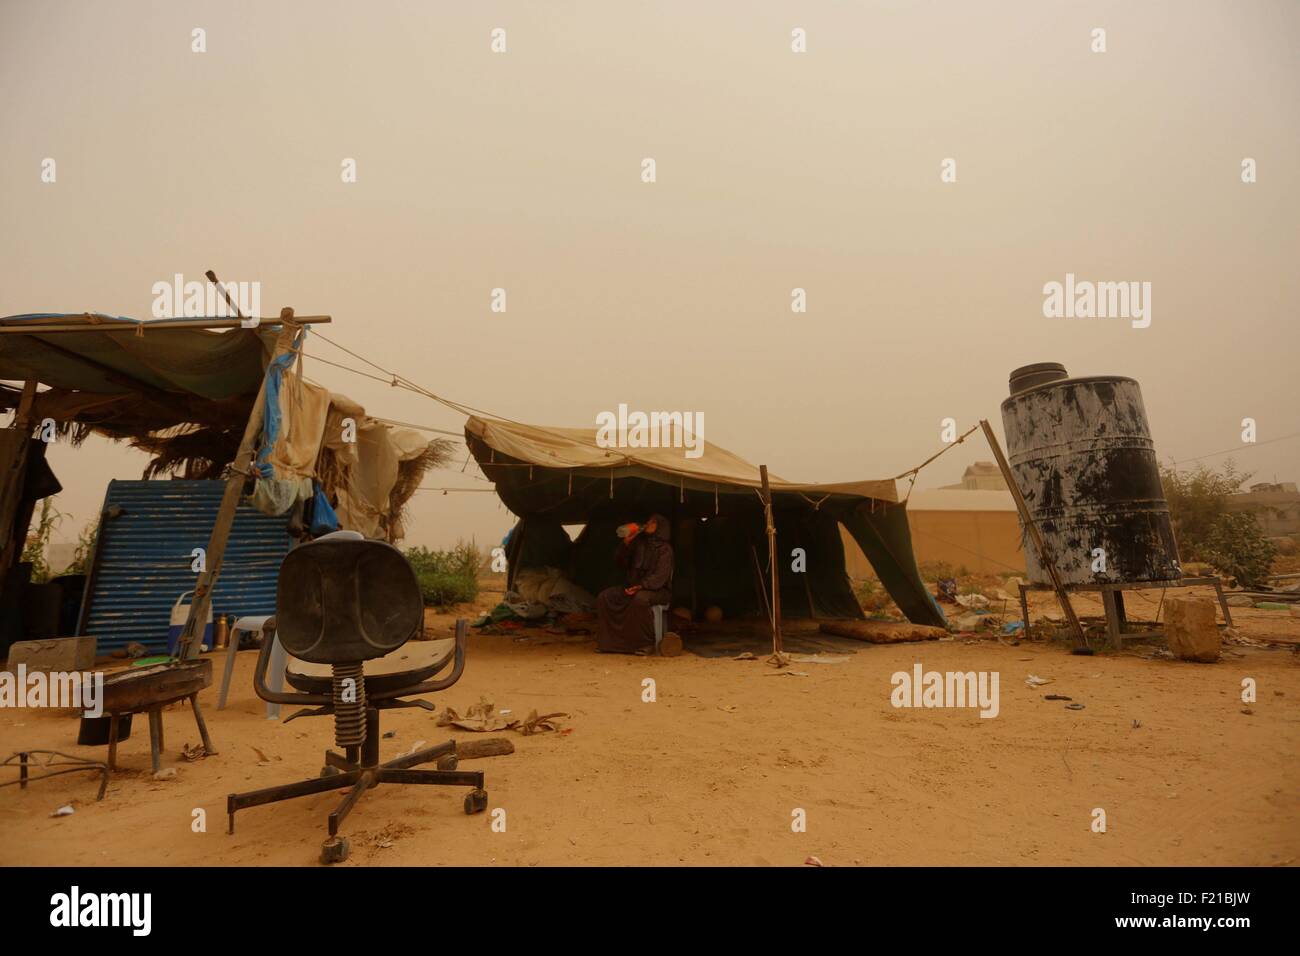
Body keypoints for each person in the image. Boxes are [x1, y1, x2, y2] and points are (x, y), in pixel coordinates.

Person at [596, 514, 673, 654]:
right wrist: (626, 544)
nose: (648, 524)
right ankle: (610, 644)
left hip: (658, 591)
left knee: (640, 599)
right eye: (648, 521)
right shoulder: (638, 543)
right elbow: (620, 562)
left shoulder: (665, 549)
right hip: (634, 587)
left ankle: (645, 644)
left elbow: (660, 577)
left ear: (660, 527)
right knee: (605, 597)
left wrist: (641, 586)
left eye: (653, 522)